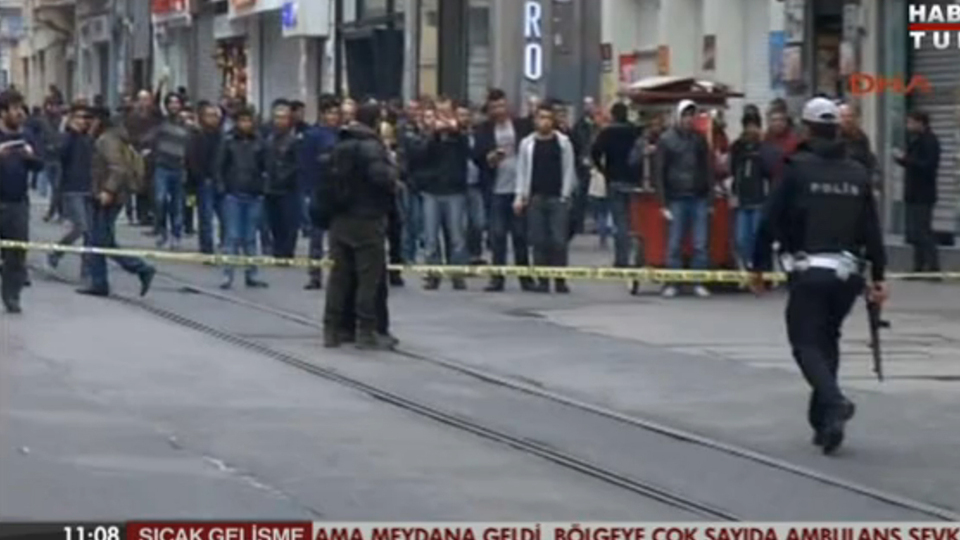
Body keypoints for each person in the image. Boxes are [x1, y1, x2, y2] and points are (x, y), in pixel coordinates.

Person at [749, 97, 888, 456]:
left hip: (809, 269)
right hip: (847, 275)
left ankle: (834, 401)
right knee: (827, 340)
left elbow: (768, 219)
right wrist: (879, 275)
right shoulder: (857, 172)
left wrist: (758, 266)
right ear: (837, 128)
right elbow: (872, 229)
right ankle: (826, 422)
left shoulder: (797, 168)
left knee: (805, 343)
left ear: (807, 129)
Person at [321, 103, 398, 350]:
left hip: (339, 219)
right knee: (369, 278)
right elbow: (381, 178)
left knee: (339, 277)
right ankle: (366, 330)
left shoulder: (339, 145)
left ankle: (332, 329)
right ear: (375, 122)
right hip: (367, 219)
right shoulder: (372, 147)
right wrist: (394, 171)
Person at [77, 107, 157, 298]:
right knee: (102, 239)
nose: (88, 123)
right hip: (107, 195)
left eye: (91, 119)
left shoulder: (107, 140)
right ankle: (101, 280)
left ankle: (137, 270)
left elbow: (118, 168)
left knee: (99, 240)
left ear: (100, 121)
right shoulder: (110, 137)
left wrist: (108, 190)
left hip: (109, 196)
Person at [473, 89, 535, 292]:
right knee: (497, 235)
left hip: (518, 187)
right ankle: (497, 277)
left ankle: (525, 277)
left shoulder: (521, 126)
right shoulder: (483, 129)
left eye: (502, 105)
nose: (499, 110)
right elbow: (478, 156)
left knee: (520, 235)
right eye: (494, 107)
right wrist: (490, 158)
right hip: (496, 187)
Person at [515, 103, 577, 293]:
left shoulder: (563, 143)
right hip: (535, 197)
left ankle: (559, 279)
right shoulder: (527, 144)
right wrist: (520, 196)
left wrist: (566, 195)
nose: (544, 122)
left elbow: (569, 169)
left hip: (557, 197)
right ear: (535, 120)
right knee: (538, 240)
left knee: (559, 240)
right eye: (541, 118)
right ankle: (542, 279)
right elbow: (522, 171)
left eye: (548, 118)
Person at [654, 99, 712, 298]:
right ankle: (673, 282)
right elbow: (659, 173)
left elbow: (708, 169)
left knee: (700, 243)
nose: (689, 119)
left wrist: (710, 198)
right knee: (675, 243)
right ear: (678, 117)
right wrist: (662, 203)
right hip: (676, 198)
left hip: (699, 197)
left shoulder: (699, 139)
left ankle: (698, 281)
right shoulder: (666, 140)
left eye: (692, 115)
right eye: (685, 115)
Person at [215, 106, 269, 290]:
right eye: (242, 120)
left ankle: (251, 274)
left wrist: (263, 188)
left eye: (248, 120)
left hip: (254, 194)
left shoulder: (260, 142)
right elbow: (219, 166)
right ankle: (227, 275)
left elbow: (266, 167)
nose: (246, 124)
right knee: (232, 236)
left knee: (250, 237)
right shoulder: (228, 141)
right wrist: (223, 188)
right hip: (233, 194)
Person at [0, 90, 43, 313]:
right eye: (15, 109)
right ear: (3, 112)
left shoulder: (26, 135)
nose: (20, 114)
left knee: (17, 252)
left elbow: (40, 165)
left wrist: (31, 157)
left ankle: (12, 296)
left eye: (21, 109)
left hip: (18, 202)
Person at [419, 107, 470, 291]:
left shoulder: (460, 138)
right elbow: (421, 155)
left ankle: (457, 274)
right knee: (430, 237)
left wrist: (455, 131)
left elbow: (467, 150)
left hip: (454, 191)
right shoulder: (428, 137)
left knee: (457, 236)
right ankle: (433, 274)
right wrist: (433, 135)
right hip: (432, 191)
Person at [592, 102, 641, 268]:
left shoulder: (607, 132)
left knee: (620, 222)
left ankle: (622, 259)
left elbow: (594, 153)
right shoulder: (635, 131)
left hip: (614, 180)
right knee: (634, 221)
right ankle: (637, 257)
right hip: (635, 181)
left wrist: (603, 170)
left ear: (613, 115)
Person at [48, 105, 95, 273]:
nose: (82, 121)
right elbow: (59, 153)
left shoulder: (89, 140)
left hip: (89, 188)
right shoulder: (68, 138)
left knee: (90, 231)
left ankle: (87, 268)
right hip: (72, 188)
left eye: (85, 118)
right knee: (81, 227)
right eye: (79, 118)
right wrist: (71, 132)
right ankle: (57, 251)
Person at [895, 110, 941, 274]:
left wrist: (906, 160)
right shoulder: (915, 140)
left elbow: (927, 165)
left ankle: (933, 266)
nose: (908, 126)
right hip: (913, 192)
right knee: (915, 232)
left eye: (911, 122)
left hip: (923, 193)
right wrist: (903, 160)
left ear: (921, 123)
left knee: (923, 231)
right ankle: (919, 266)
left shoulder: (930, 141)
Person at [302, 98, 341, 290]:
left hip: (337, 192)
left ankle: (337, 274)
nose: (333, 117)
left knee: (337, 237)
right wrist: (308, 190)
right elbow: (307, 163)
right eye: (330, 113)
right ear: (323, 115)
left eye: (336, 113)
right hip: (319, 190)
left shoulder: (342, 134)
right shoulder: (313, 135)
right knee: (316, 236)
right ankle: (314, 274)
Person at [729, 112, 775, 270]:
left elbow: (771, 170)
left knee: (757, 236)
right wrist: (734, 193)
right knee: (741, 238)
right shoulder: (737, 147)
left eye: (754, 125)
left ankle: (758, 267)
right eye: (748, 125)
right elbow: (733, 170)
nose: (751, 129)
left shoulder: (765, 148)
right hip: (742, 199)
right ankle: (746, 264)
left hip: (760, 199)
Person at [149, 92, 191, 249]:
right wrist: (160, 84)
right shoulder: (161, 121)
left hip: (179, 167)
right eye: (170, 103)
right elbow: (153, 106)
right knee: (160, 200)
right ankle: (162, 231)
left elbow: (191, 147)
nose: (173, 105)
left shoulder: (186, 125)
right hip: (162, 166)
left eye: (176, 102)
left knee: (177, 203)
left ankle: (176, 234)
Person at [263, 100, 302, 259]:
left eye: (283, 118)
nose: (280, 121)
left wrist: (284, 177)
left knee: (289, 222)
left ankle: (287, 252)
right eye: (277, 117)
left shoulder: (294, 140)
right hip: (270, 187)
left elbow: (297, 164)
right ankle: (277, 250)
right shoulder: (269, 138)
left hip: (288, 188)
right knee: (274, 222)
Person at [186, 103, 224, 255]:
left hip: (222, 181)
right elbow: (192, 159)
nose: (212, 119)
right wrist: (200, 176)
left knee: (225, 217)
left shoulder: (223, 136)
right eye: (209, 115)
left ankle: (226, 244)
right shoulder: (196, 136)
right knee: (206, 217)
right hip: (204, 181)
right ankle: (206, 247)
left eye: (215, 116)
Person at [458, 103, 487, 265]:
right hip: (458, 184)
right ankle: (462, 256)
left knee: (478, 222)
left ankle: (475, 254)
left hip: (476, 183)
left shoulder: (478, 135)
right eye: (461, 115)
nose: (465, 119)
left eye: (467, 115)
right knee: (460, 224)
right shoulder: (453, 135)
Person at [37, 98, 65, 221]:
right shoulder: (43, 121)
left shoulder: (63, 121)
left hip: (60, 158)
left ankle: (52, 212)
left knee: (57, 187)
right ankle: (60, 212)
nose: (52, 108)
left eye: (54, 106)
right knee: (55, 188)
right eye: (50, 105)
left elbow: (65, 137)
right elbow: (39, 138)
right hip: (48, 157)